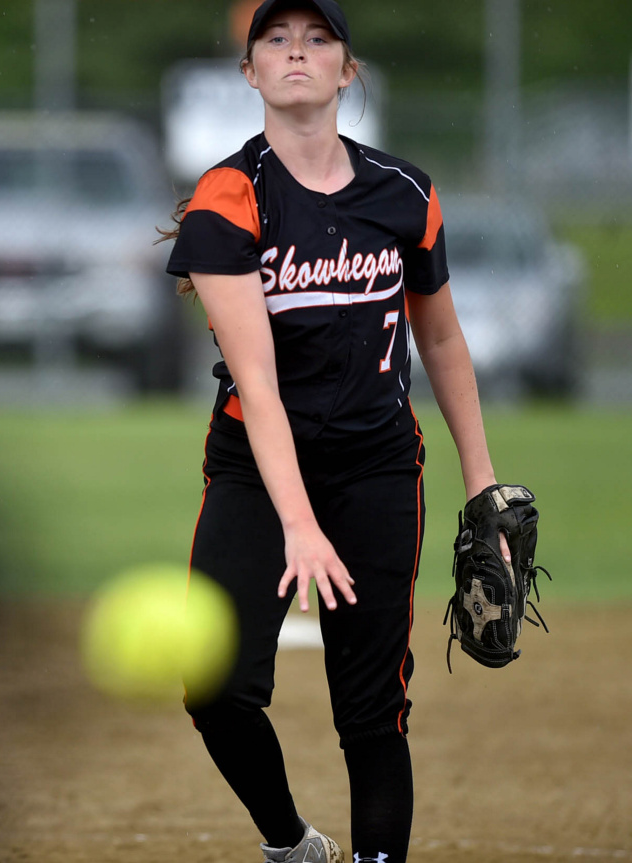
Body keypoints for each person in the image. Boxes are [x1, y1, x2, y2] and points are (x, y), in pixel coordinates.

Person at [162, 2, 510, 862]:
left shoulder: (404, 193)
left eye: (318, 39)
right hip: (255, 465)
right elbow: (260, 384)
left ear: (347, 72)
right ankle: (291, 844)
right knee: (215, 687)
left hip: (376, 467)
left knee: (371, 709)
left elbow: (440, 340)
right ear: (248, 74)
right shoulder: (228, 198)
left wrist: (483, 488)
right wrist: (299, 524)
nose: (295, 52)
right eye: (274, 39)